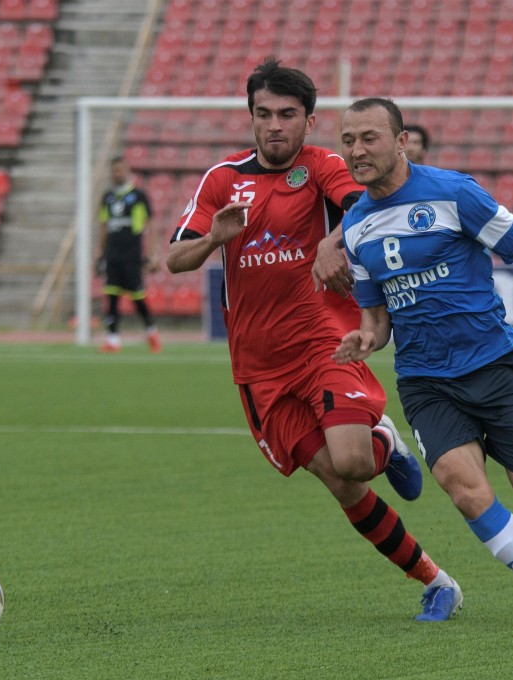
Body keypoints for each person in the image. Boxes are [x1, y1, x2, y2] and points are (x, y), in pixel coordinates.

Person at [165, 58, 461, 621]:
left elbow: (365, 205)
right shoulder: (222, 180)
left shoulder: (324, 165)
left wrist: (332, 241)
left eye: (287, 115)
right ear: (250, 117)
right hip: (257, 368)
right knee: (340, 483)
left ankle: (381, 441)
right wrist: (213, 242)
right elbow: (175, 257)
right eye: (263, 114)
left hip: (323, 341)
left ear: (308, 121)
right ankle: (437, 581)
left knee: (351, 461)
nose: (274, 125)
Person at [334, 97, 513, 630]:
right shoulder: (354, 229)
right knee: (463, 487)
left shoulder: (454, 193)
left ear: (401, 141)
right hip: (424, 380)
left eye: (369, 138)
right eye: (348, 140)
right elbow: (376, 320)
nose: (357, 151)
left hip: (491, 364)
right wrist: (365, 339)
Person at [95, 156, 162, 353]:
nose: (117, 174)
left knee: (137, 296)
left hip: (132, 255)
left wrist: (153, 254)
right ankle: (113, 339)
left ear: (127, 171)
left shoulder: (138, 196)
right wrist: (99, 252)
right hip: (112, 255)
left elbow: (150, 224)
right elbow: (104, 226)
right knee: (112, 296)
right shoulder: (107, 197)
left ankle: (152, 331)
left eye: (120, 170)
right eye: (114, 170)